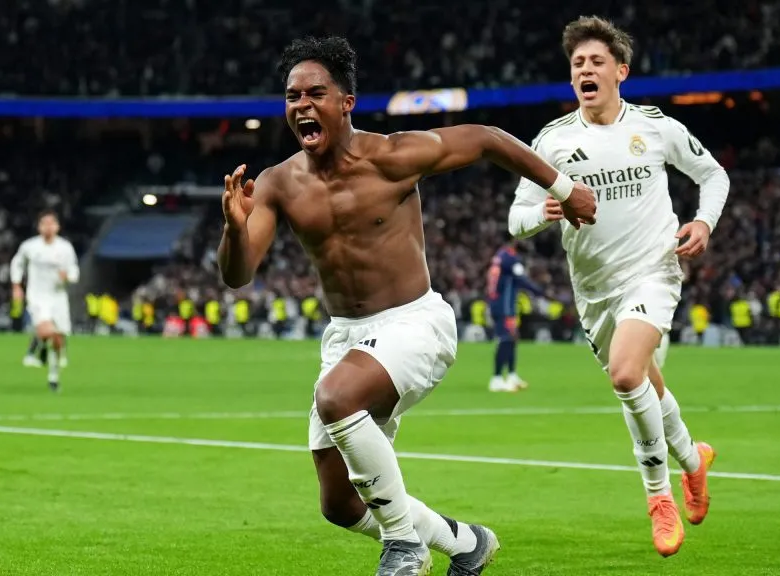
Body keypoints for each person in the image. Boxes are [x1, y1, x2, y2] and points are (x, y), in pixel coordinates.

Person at [217, 36, 596, 576]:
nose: (301, 105)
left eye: (315, 93)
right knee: (340, 505)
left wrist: (563, 185)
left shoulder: (393, 157)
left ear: (346, 101)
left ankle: (404, 546)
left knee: (336, 396)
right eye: (292, 95)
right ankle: (466, 543)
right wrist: (233, 229)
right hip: (348, 335)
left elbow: (486, 138)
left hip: (414, 322)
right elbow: (237, 275)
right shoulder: (279, 183)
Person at [507, 16, 729, 557]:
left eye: (596, 61)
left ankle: (658, 499)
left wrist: (703, 223)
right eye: (578, 63)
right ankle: (695, 462)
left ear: (620, 72)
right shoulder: (553, 141)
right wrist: (546, 211)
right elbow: (516, 218)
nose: (585, 69)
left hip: (653, 270)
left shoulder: (654, 127)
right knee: (647, 386)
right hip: (594, 292)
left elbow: (713, 175)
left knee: (628, 374)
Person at [10, 210, 79, 392]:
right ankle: (37, 351)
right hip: (38, 297)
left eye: (51, 223)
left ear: (57, 227)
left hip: (58, 297)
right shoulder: (30, 247)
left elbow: (73, 270)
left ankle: (53, 377)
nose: (48, 227)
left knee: (58, 339)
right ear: (39, 227)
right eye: (44, 223)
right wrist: (16, 285)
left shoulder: (65, 248)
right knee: (47, 330)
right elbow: (17, 263)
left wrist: (68, 277)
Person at [486, 239, 544, 392]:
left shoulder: (500, 255)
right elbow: (521, 279)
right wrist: (540, 291)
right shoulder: (510, 258)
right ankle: (497, 379)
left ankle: (511, 375)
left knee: (511, 339)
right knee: (505, 339)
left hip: (502, 303)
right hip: (504, 306)